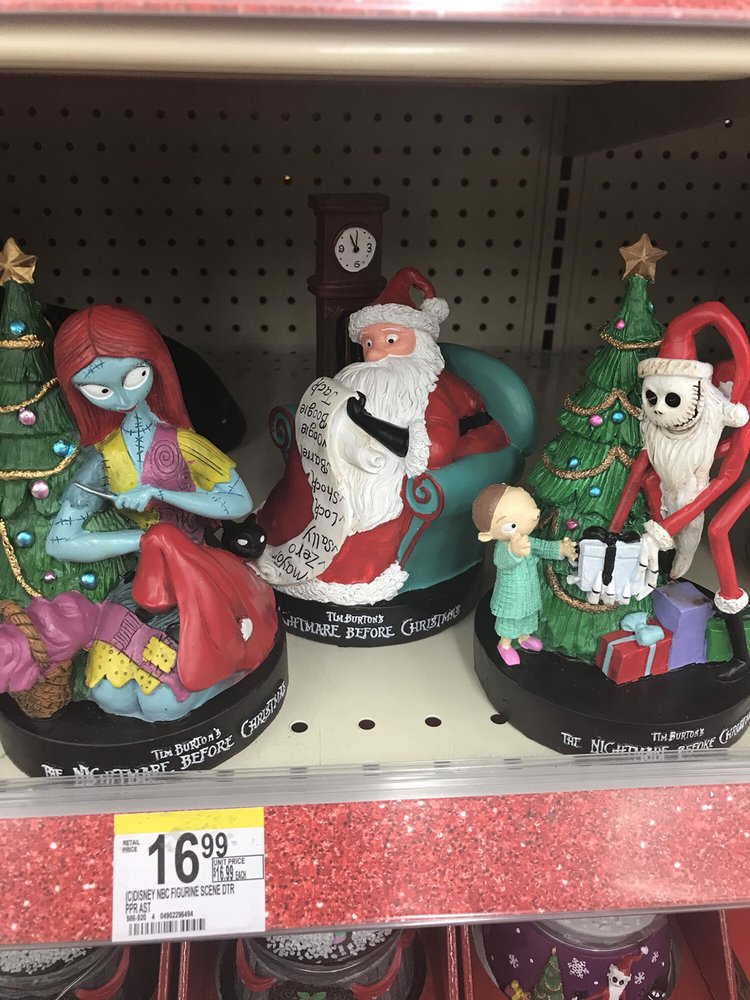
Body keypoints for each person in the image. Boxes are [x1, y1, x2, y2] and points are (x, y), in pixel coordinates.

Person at [37, 304, 276, 720]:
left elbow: (237, 501)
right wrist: (142, 540)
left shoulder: (183, 443)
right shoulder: (102, 460)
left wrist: (164, 492)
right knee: (110, 696)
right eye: (100, 390)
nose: (122, 397)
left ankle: (225, 670)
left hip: (200, 567)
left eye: (133, 377)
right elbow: (61, 540)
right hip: (140, 580)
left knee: (163, 703)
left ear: (155, 365)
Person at [257, 267, 506, 605]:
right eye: (368, 343)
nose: (375, 354)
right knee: (300, 485)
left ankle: (339, 576)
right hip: (332, 474)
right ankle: (275, 538)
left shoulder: (426, 388)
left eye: (390, 341)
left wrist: (364, 420)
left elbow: (432, 450)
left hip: (385, 480)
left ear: (418, 342)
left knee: (362, 515)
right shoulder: (359, 378)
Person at [609, 301, 750, 680]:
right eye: (652, 399)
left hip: (733, 468)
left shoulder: (727, 414)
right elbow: (640, 473)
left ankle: (741, 652)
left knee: (718, 530)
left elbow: (726, 478)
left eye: (671, 400)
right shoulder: (659, 427)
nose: (658, 409)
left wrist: (664, 528)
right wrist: (614, 529)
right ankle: (668, 577)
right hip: (704, 465)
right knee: (657, 487)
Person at [472, 484, 577, 666]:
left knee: (528, 615)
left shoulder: (526, 540)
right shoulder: (503, 547)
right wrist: (513, 551)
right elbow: (502, 561)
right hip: (511, 595)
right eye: (512, 525)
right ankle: (505, 644)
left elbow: (543, 547)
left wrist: (561, 548)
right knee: (510, 619)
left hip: (529, 590)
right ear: (487, 535)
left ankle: (524, 638)